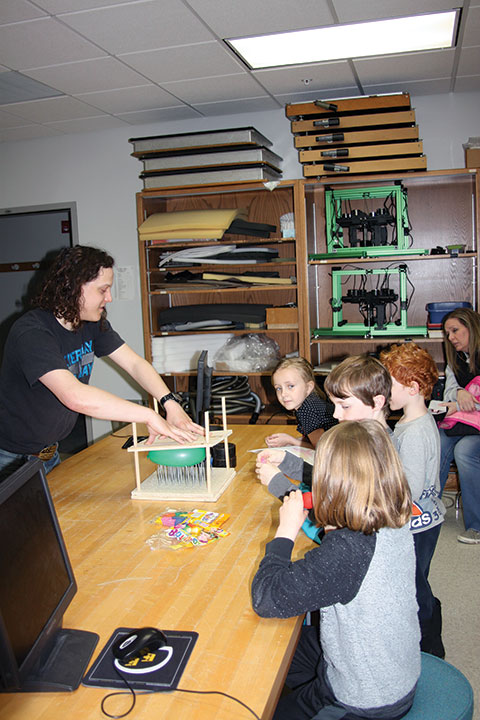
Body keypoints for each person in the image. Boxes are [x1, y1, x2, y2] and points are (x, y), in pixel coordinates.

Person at [252, 421, 420, 720]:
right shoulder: (388, 508)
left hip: (365, 696)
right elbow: (339, 494)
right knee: (268, 649)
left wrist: (285, 533)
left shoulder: (348, 551)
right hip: (389, 661)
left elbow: (267, 597)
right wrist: (290, 464)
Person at [0, 245, 203, 479]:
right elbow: (75, 396)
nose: (109, 298)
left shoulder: (90, 322)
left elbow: (135, 364)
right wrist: (148, 415)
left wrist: (170, 403)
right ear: (74, 288)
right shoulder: (32, 332)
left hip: (48, 453)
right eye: (103, 290)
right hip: (10, 460)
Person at [380, 342, 445, 657]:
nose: (385, 392)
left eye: (389, 386)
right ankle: (427, 625)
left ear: (413, 387)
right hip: (423, 519)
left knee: (413, 585)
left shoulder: (415, 433)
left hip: (418, 524)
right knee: (417, 579)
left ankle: (428, 645)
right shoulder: (411, 421)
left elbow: (412, 488)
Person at [256, 355, 391, 497]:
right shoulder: (366, 441)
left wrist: (277, 484)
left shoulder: (375, 453)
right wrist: (286, 462)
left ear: (377, 403)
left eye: (345, 406)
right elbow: (330, 482)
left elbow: (332, 509)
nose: (335, 414)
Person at [437, 307, 480, 544]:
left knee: (465, 451)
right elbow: (450, 390)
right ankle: (429, 505)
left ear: (471, 329)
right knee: (440, 442)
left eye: (455, 331)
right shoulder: (456, 360)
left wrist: (470, 400)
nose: (451, 337)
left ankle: (476, 526)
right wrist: (461, 392)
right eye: (448, 333)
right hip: (466, 422)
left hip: (475, 422)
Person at [265, 357, 336, 449]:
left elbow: (321, 448)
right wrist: (290, 441)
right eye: (278, 388)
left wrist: (291, 441)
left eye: (290, 386)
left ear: (309, 387)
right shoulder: (310, 402)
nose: (283, 394)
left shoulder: (307, 410)